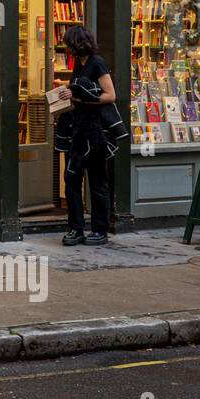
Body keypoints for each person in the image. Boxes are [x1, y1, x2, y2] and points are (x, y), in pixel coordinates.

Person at [53, 26, 126, 246]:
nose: (66, 48)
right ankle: (76, 228)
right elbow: (79, 90)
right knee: (72, 179)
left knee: (97, 181)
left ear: (75, 44)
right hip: (78, 129)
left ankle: (99, 230)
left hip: (95, 133)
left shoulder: (97, 62)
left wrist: (80, 97)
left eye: (68, 43)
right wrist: (66, 90)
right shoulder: (79, 63)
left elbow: (110, 95)